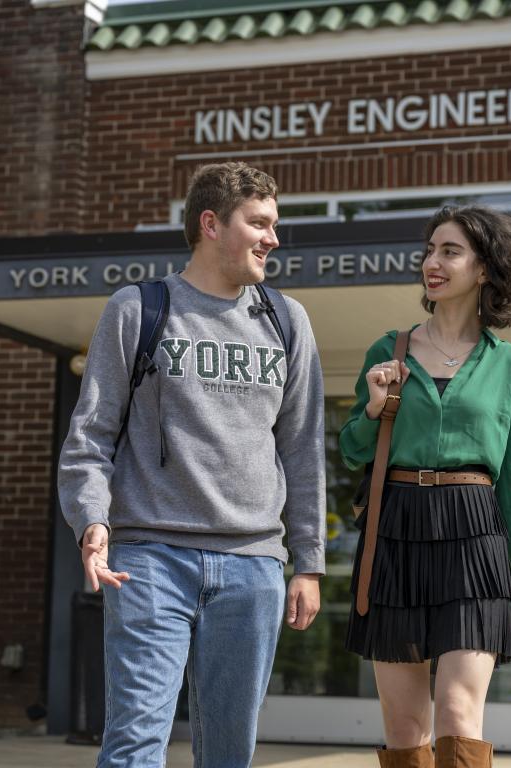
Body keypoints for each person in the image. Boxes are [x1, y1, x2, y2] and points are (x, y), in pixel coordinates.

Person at [58, 162, 326, 768]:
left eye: (275, 225)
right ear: (211, 223)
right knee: (133, 745)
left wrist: (307, 562)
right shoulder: (138, 309)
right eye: (258, 223)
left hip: (253, 566)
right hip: (150, 558)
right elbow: (91, 434)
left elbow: (304, 449)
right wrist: (91, 520)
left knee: (230, 753)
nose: (273, 238)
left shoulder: (287, 322)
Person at [341, 205, 511, 768]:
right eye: (430, 251)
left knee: (459, 711)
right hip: (396, 530)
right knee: (406, 726)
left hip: (474, 534)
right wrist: (374, 406)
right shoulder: (389, 348)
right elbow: (353, 449)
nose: (432, 263)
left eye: (450, 251)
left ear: (485, 269)